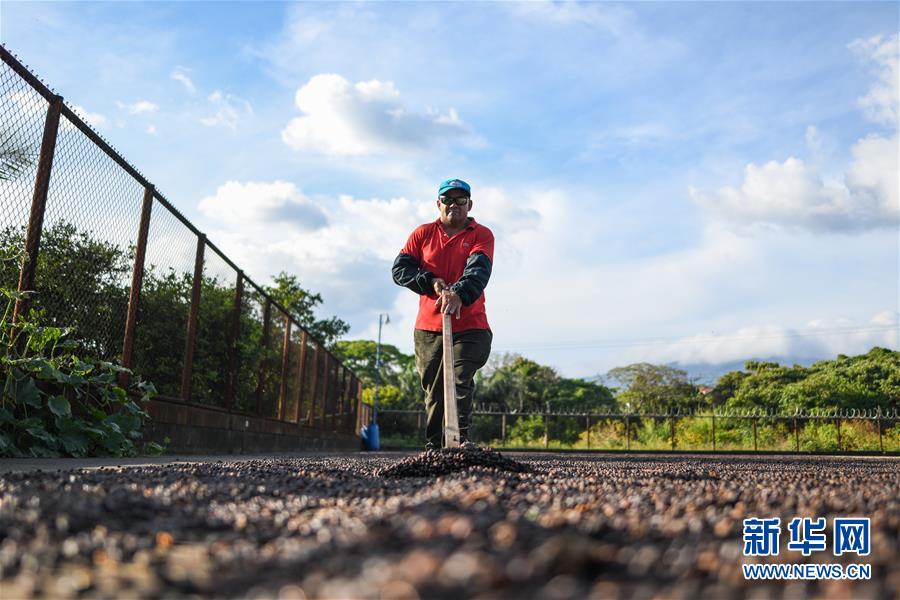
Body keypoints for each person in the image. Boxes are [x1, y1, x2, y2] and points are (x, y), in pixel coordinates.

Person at [392, 178, 494, 450]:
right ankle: (435, 446)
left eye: (461, 200)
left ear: (470, 204)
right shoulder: (422, 234)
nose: (454, 205)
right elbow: (400, 270)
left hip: (471, 325)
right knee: (434, 388)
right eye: (448, 200)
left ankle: (459, 441)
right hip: (428, 328)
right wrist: (430, 281)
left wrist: (458, 293)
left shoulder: (481, 234)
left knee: (459, 379)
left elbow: (478, 270)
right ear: (438, 204)